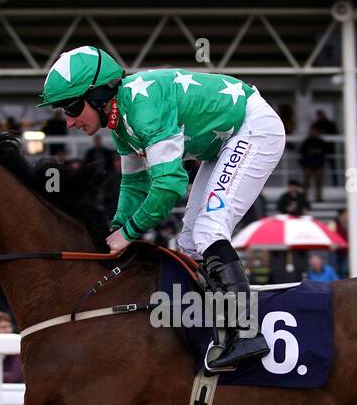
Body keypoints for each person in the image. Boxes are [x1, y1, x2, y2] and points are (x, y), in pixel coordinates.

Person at [38, 45, 282, 371]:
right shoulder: (120, 121)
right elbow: (135, 184)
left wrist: (129, 232)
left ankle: (246, 332)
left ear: (97, 94)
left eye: (70, 107)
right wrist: (116, 226)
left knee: (209, 229)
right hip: (224, 142)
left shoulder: (142, 109)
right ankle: (211, 326)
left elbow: (169, 184)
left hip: (253, 128)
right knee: (190, 242)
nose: (68, 122)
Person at [298, 126, 329, 205]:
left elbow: (326, 152)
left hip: (318, 165)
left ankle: (319, 198)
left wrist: (318, 153)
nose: (314, 133)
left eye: (315, 131)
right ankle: (304, 198)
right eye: (313, 131)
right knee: (306, 183)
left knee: (318, 183)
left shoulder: (321, 142)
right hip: (308, 165)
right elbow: (302, 152)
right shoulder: (307, 142)